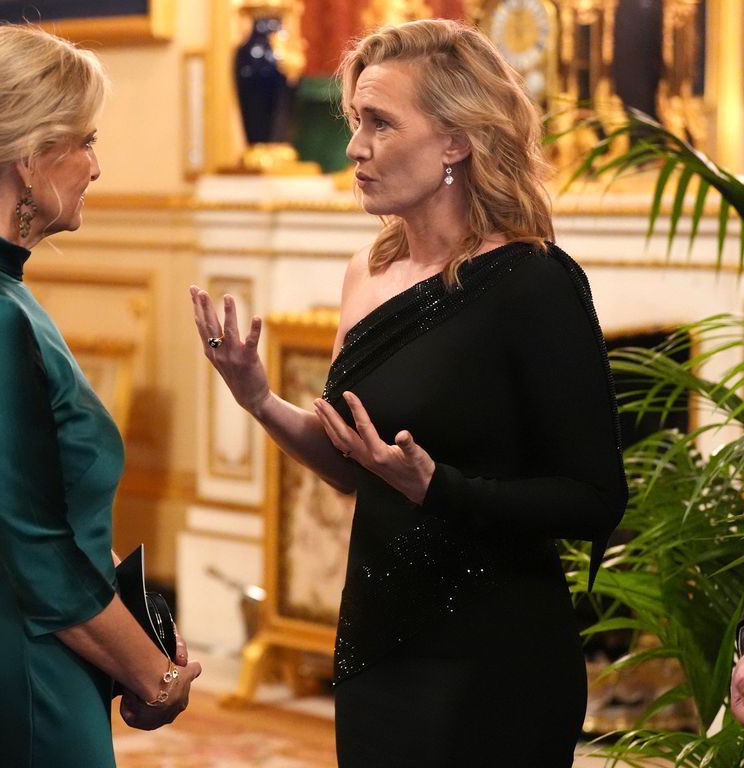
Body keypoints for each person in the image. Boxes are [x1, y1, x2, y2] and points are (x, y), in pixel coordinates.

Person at [190, 18, 626, 768]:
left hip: (494, 659)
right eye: (355, 120)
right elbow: (353, 470)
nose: (355, 146)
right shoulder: (366, 272)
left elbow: (595, 500)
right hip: (376, 644)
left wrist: (439, 489)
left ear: (456, 140)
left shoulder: (535, 282)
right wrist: (260, 399)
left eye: (380, 123)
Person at [0, 24, 200, 768]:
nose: (96, 165)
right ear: (29, 160)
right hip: (24, 689)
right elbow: (39, 560)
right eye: (85, 141)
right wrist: (154, 676)